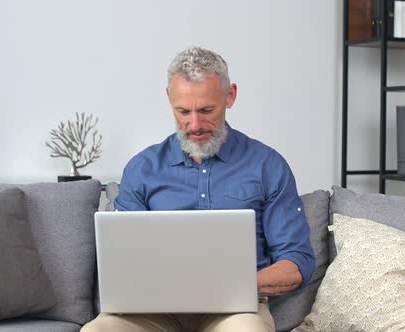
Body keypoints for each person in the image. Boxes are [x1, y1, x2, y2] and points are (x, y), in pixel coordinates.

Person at [82, 47, 315, 332]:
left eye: (206, 110)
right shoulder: (142, 168)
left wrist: (232, 284)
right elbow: (122, 263)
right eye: (183, 111)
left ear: (230, 96)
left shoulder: (267, 165)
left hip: (235, 311)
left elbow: (296, 263)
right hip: (154, 311)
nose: (194, 124)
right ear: (169, 98)